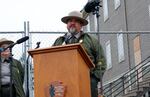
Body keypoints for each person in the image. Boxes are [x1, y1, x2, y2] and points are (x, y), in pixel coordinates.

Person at [52, 11, 106, 97]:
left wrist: (94, 79)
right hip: (63, 82)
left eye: (76, 21)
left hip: (86, 80)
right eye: (70, 21)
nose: (72, 23)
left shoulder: (91, 41)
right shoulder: (59, 41)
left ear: (81, 25)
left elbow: (101, 61)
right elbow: (51, 60)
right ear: (67, 24)